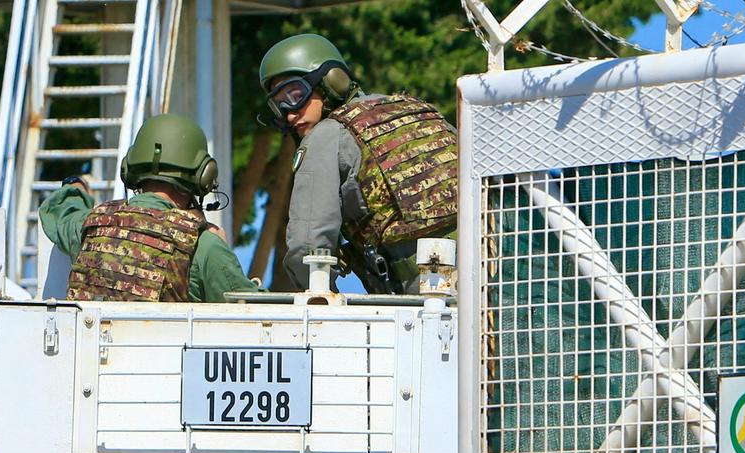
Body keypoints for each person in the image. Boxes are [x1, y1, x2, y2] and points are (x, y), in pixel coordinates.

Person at [258, 33, 459, 294]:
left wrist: (320, 298)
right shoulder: (418, 110)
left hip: (427, 294)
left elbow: (307, 247)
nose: (290, 112)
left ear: (331, 82)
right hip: (493, 270)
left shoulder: (327, 134)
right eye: (278, 104)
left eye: (296, 94)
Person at [39, 113, 259, 303]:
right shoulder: (204, 245)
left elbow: (60, 210)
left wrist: (76, 188)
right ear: (203, 176)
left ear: (130, 168)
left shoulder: (91, 226)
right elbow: (257, 315)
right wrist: (218, 247)